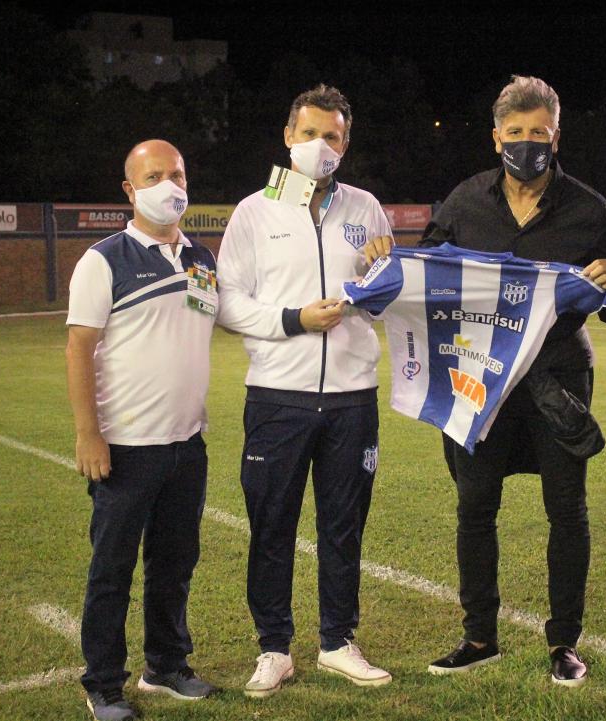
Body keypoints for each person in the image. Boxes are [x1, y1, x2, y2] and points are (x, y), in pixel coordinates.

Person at [366, 75, 606, 687]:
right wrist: (382, 269)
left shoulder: (587, 208)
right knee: (475, 509)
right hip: (478, 382)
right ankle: (478, 635)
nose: (527, 143)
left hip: (558, 381)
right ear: (496, 139)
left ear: (556, 135)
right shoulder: (464, 202)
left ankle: (565, 643)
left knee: (566, 512)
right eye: (515, 133)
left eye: (538, 133)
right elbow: (425, 274)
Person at [217, 84, 394, 694]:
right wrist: (294, 319)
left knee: (344, 526)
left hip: (351, 396)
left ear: (346, 145)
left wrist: (379, 276)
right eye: (311, 134)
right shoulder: (253, 210)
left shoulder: (367, 208)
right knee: (272, 525)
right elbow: (227, 302)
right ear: (289, 138)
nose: (322, 146)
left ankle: (338, 641)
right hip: (277, 396)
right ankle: (274, 648)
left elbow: (379, 307)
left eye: (335, 137)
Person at [66, 139, 217, 721]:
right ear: (129, 190)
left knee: (175, 564)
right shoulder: (103, 260)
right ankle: (102, 683)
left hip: (187, 442)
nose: (168, 185)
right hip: (126, 447)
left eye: (176, 173)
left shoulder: (201, 258)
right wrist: (89, 433)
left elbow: (225, 320)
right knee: (111, 570)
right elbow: (80, 348)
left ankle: (167, 665)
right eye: (153, 175)